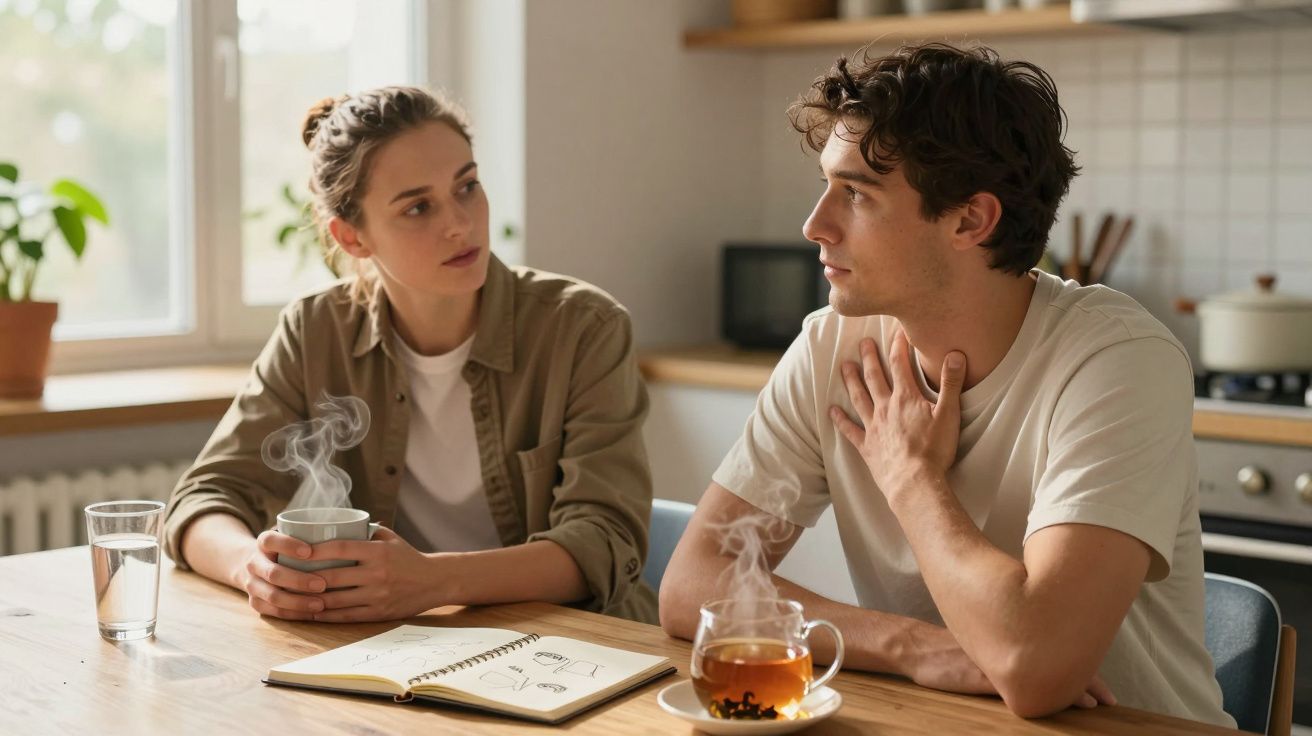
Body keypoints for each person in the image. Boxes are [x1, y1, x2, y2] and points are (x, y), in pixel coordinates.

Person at [659, 44, 1233, 726]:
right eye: (825, 186)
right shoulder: (829, 347)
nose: (816, 226)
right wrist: (912, 647)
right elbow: (692, 585)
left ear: (970, 220)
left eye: (857, 194)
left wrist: (910, 476)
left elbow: (1034, 668)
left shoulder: (1117, 361)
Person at [163, 86, 656, 624]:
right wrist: (252, 570)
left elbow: (605, 541)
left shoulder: (583, 328)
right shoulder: (315, 331)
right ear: (352, 237)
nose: (460, 223)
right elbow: (202, 499)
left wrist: (433, 580)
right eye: (418, 207)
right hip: (395, 651)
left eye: (467, 186)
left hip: (565, 648)